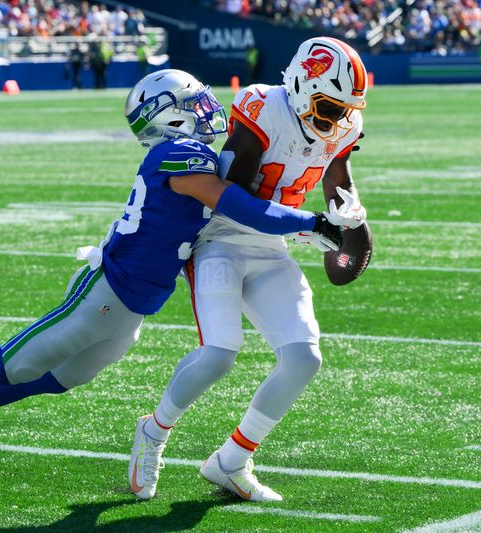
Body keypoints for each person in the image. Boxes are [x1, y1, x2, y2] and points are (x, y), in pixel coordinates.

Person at [0, 69, 343, 465]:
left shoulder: (190, 155)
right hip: (106, 292)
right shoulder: (180, 155)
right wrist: (312, 221)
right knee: (2, 366)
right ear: (170, 117)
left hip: (134, 306)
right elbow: (239, 205)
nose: (207, 109)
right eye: (194, 104)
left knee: (60, 378)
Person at [129, 37, 369, 502]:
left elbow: (339, 182)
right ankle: (153, 431)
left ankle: (232, 460)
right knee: (219, 353)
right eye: (328, 107)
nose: (337, 120)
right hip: (220, 239)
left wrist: (349, 217)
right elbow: (235, 197)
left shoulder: (342, 124)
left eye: (344, 110)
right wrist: (304, 224)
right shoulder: (264, 106)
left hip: (271, 246)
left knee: (304, 358)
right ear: (300, 86)